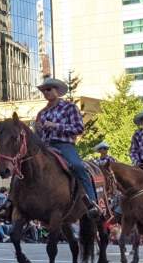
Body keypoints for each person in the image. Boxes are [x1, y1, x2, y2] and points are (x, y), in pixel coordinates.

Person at [33, 77, 99, 219]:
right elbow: (38, 135)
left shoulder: (69, 107)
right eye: (44, 90)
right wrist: (37, 129)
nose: (46, 92)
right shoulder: (42, 113)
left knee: (77, 166)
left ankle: (92, 201)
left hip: (64, 145)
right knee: (27, 164)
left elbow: (79, 128)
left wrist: (56, 126)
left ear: (57, 91)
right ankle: (16, 203)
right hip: (45, 146)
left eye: (49, 89)